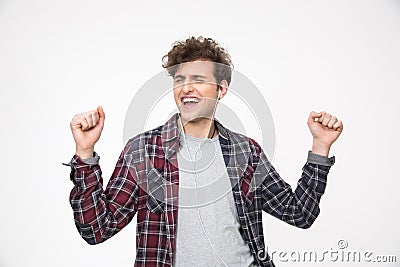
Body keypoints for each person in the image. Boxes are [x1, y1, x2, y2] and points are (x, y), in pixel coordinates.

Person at [66, 36, 343, 267]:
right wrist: (85, 152)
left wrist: (320, 147)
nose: (186, 87)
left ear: (221, 89)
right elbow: (97, 229)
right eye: (179, 79)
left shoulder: (246, 152)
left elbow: (299, 214)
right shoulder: (144, 152)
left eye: (198, 78)